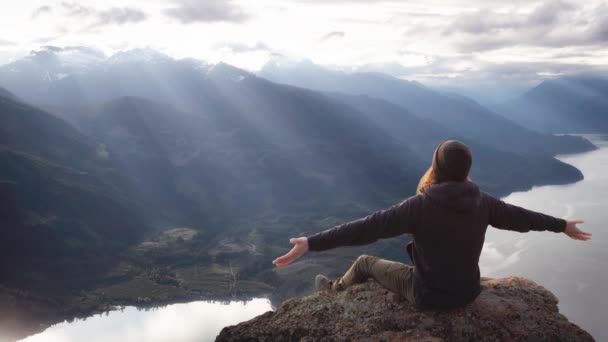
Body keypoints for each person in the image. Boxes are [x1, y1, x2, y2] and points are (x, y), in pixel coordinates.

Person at [272, 140, 592, 309]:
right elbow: (523, 218)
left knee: (365, 262)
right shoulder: (483, 201)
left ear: (436, 167)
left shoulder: (420, 206)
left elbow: (366, 228)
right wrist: (562, 224)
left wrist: (311, 242)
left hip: (428, 296)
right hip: (468, 293)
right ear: (467, 168)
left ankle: (333, 291)